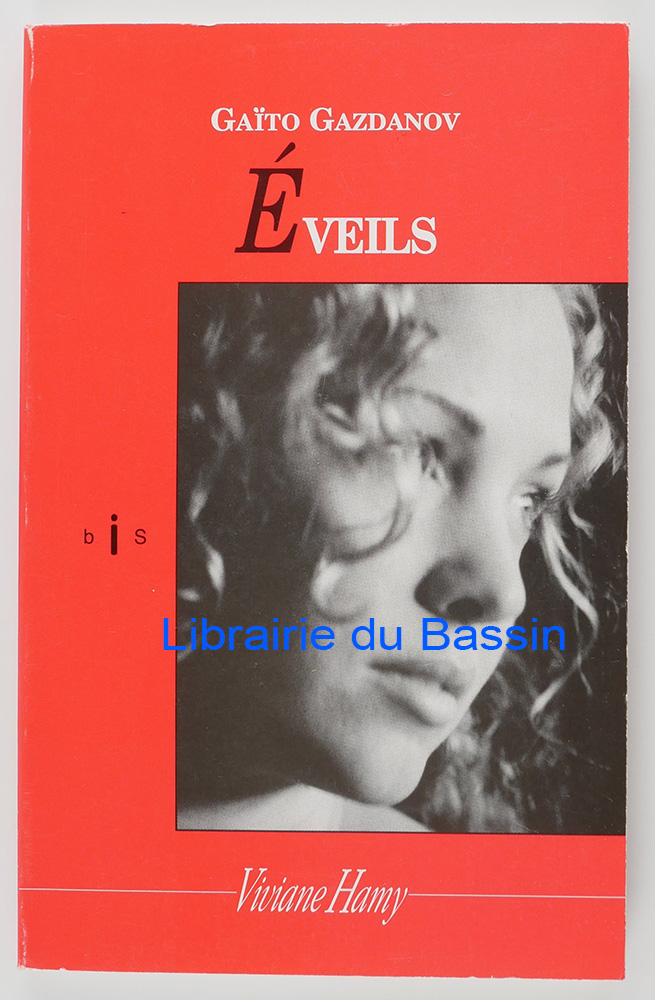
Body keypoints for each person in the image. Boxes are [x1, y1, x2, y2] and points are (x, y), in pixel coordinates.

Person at [176, 283, 624, 832]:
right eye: (410, 446)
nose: (504, 593)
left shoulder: (471, 888)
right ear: (206, 434)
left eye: (530, 500)